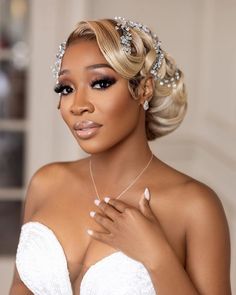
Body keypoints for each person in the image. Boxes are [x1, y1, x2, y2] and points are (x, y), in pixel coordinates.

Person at [9, 17, 231, 295]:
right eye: (66, 88)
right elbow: (20, 287)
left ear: (143, 89)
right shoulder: (46, 183)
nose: (78, 105)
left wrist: (157, 256)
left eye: (100, 83)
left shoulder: (195, 206)